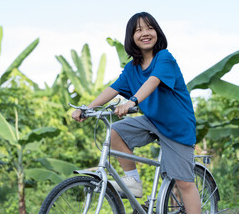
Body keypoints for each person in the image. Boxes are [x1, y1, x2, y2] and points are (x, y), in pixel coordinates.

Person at [72, 12, 201, 214]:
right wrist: (87, 108)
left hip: (177, 127)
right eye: (138, 30)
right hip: (152, 121)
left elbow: (153, 81)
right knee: (116, 131)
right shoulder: (131, 68)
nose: (145, 33)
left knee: (184, 183)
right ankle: (132, 181)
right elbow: (112, 89)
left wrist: (132, 100)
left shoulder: (164, 57)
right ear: (131, 37)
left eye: (150, 28)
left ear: (157, 32)